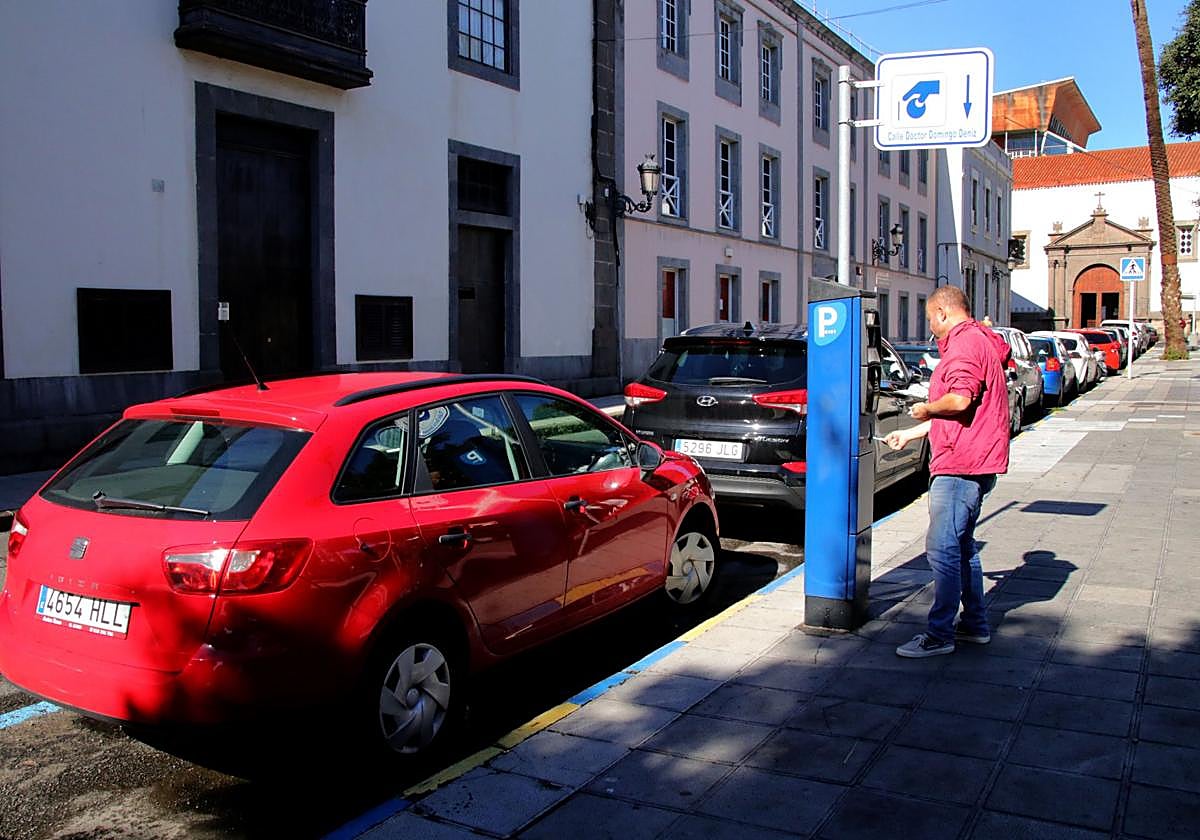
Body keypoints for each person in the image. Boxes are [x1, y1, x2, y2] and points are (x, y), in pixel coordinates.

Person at [884, 286, 1011, 658]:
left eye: (929, 320)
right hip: (977, 457)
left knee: (940, 548)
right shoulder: (981, 340)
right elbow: (964, 411)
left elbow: (959, 400)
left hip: (961, 464)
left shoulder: (963, 345)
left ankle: (939, 634)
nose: (930, 328)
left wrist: (925, 409)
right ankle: (974, 624)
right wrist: (911, 433)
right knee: (963, 546)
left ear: (942, 312)